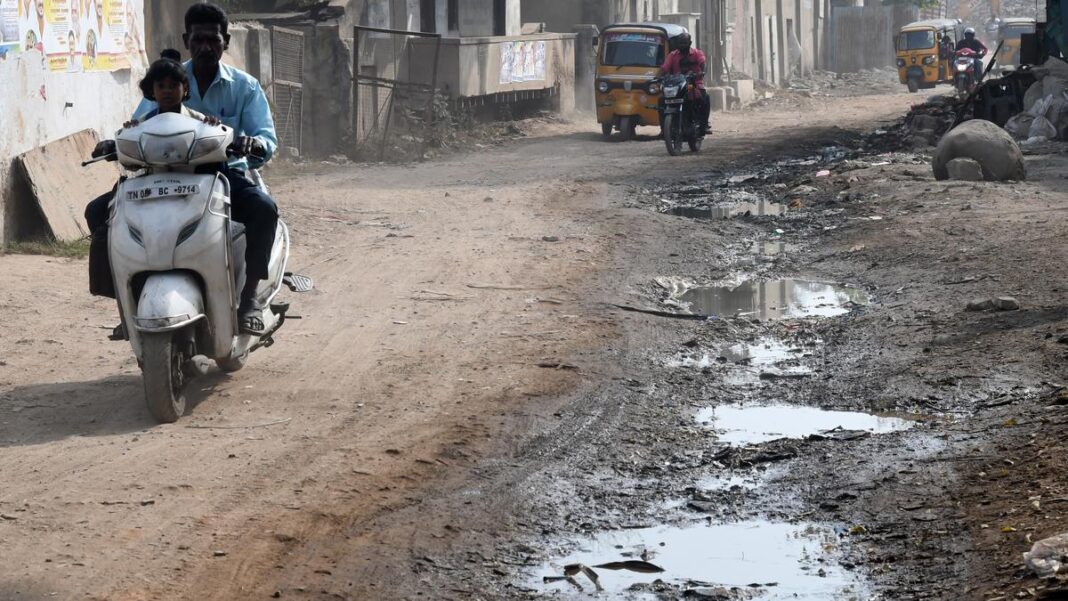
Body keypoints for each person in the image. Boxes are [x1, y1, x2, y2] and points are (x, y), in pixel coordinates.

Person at [85, 3, 279, 335]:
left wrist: (254, 144)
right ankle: (125, 300)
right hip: (161, 174)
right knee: (98, 212)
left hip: (217, 175)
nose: (206, 47)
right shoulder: (167, 77)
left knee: (264, 210)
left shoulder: (244, 87)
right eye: (199, 39)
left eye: (213, 40)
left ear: (226, 41)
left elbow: (265, 137)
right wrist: (116, 143)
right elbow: (138, 124)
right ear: (187, 39)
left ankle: (250, 300)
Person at [660, 32, 709, 135]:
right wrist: (659, 76)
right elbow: (664, 68)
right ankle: (664, 129)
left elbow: (703, 63)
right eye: (680, 43)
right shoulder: (673, 55)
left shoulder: (697, 53)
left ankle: (703, 125)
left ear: (690, 43)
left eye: (684, 43)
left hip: (693, 83)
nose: (682, 46)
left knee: (704, 98)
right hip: (678, 85)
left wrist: (702, 71)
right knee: (661, 101)